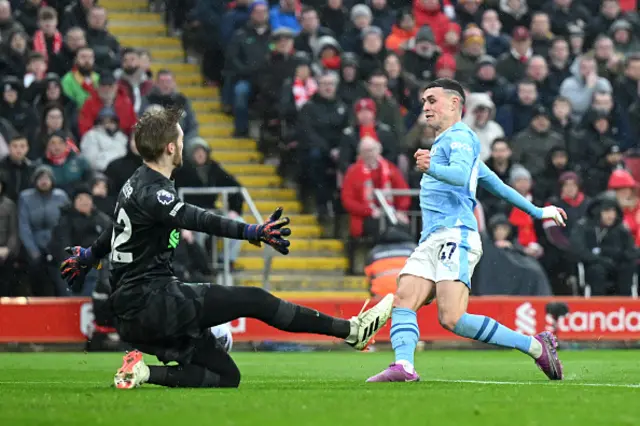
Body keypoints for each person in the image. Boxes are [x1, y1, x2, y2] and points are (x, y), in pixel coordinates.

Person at [59, 107, 393, 390]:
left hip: (135, 312)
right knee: (255, 299)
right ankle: (352, 331)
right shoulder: (156, 193)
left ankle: (142, 372)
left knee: (227, 376)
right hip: (152, 303)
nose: (183, 141)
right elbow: (197, 218)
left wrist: (88, 257)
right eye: (180, 137)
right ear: (171, 148)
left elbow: (114, 231)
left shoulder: (135, 182)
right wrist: (251, 230)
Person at [366, 78, 567, 383]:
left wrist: (431, 166)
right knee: (404, 297)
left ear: (454, 103)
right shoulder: (450, 142)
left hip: (455, 234)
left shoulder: (460, 137)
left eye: (432, 100)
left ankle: (535, 346)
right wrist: (538, 211)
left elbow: (460, 177)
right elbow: (496, 185)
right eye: (424, 101)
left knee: (452, 317)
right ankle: (404, 366)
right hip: (431, 238)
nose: (426, 107)